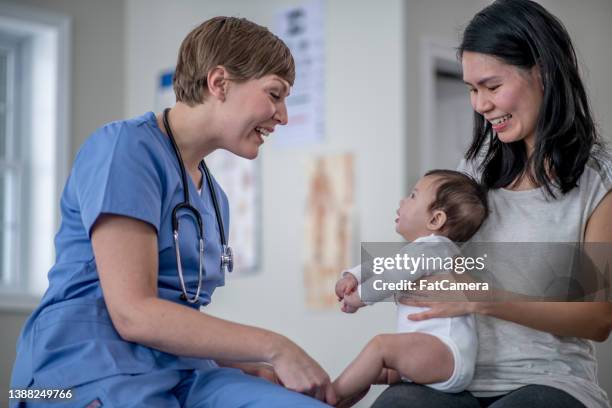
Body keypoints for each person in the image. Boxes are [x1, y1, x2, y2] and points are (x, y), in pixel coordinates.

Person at [10, 17, 337, 407]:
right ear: (219, 83)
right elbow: (134, 313)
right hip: (82, 367)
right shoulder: (126, 149)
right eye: (274, 94)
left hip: (183, 371)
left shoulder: (214, 198)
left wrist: (252, 366)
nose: (283, 116)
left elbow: (179, 315)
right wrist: (275, 347)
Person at [372, 1, 612, 407]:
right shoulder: (475, 169)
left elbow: (597, 319)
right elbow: (443, 261)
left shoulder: (599, 180)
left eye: (492, 86)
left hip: (550, 381)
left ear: (544, 72)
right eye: (472, 89)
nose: (480, 105)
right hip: (458, 371)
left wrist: (483, 297)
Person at [333, 170, 488, 401]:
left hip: (443, 351)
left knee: (381, 347)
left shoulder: (434, 249)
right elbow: (383, 264)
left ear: (435, 219)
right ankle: (339, 401)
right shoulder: (428, 250)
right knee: (371, 370)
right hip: (437, 354)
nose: (402, 201)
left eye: (413, 196)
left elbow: (391, 276)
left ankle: (329, 396)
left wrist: (358, 298)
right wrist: (353, 276)